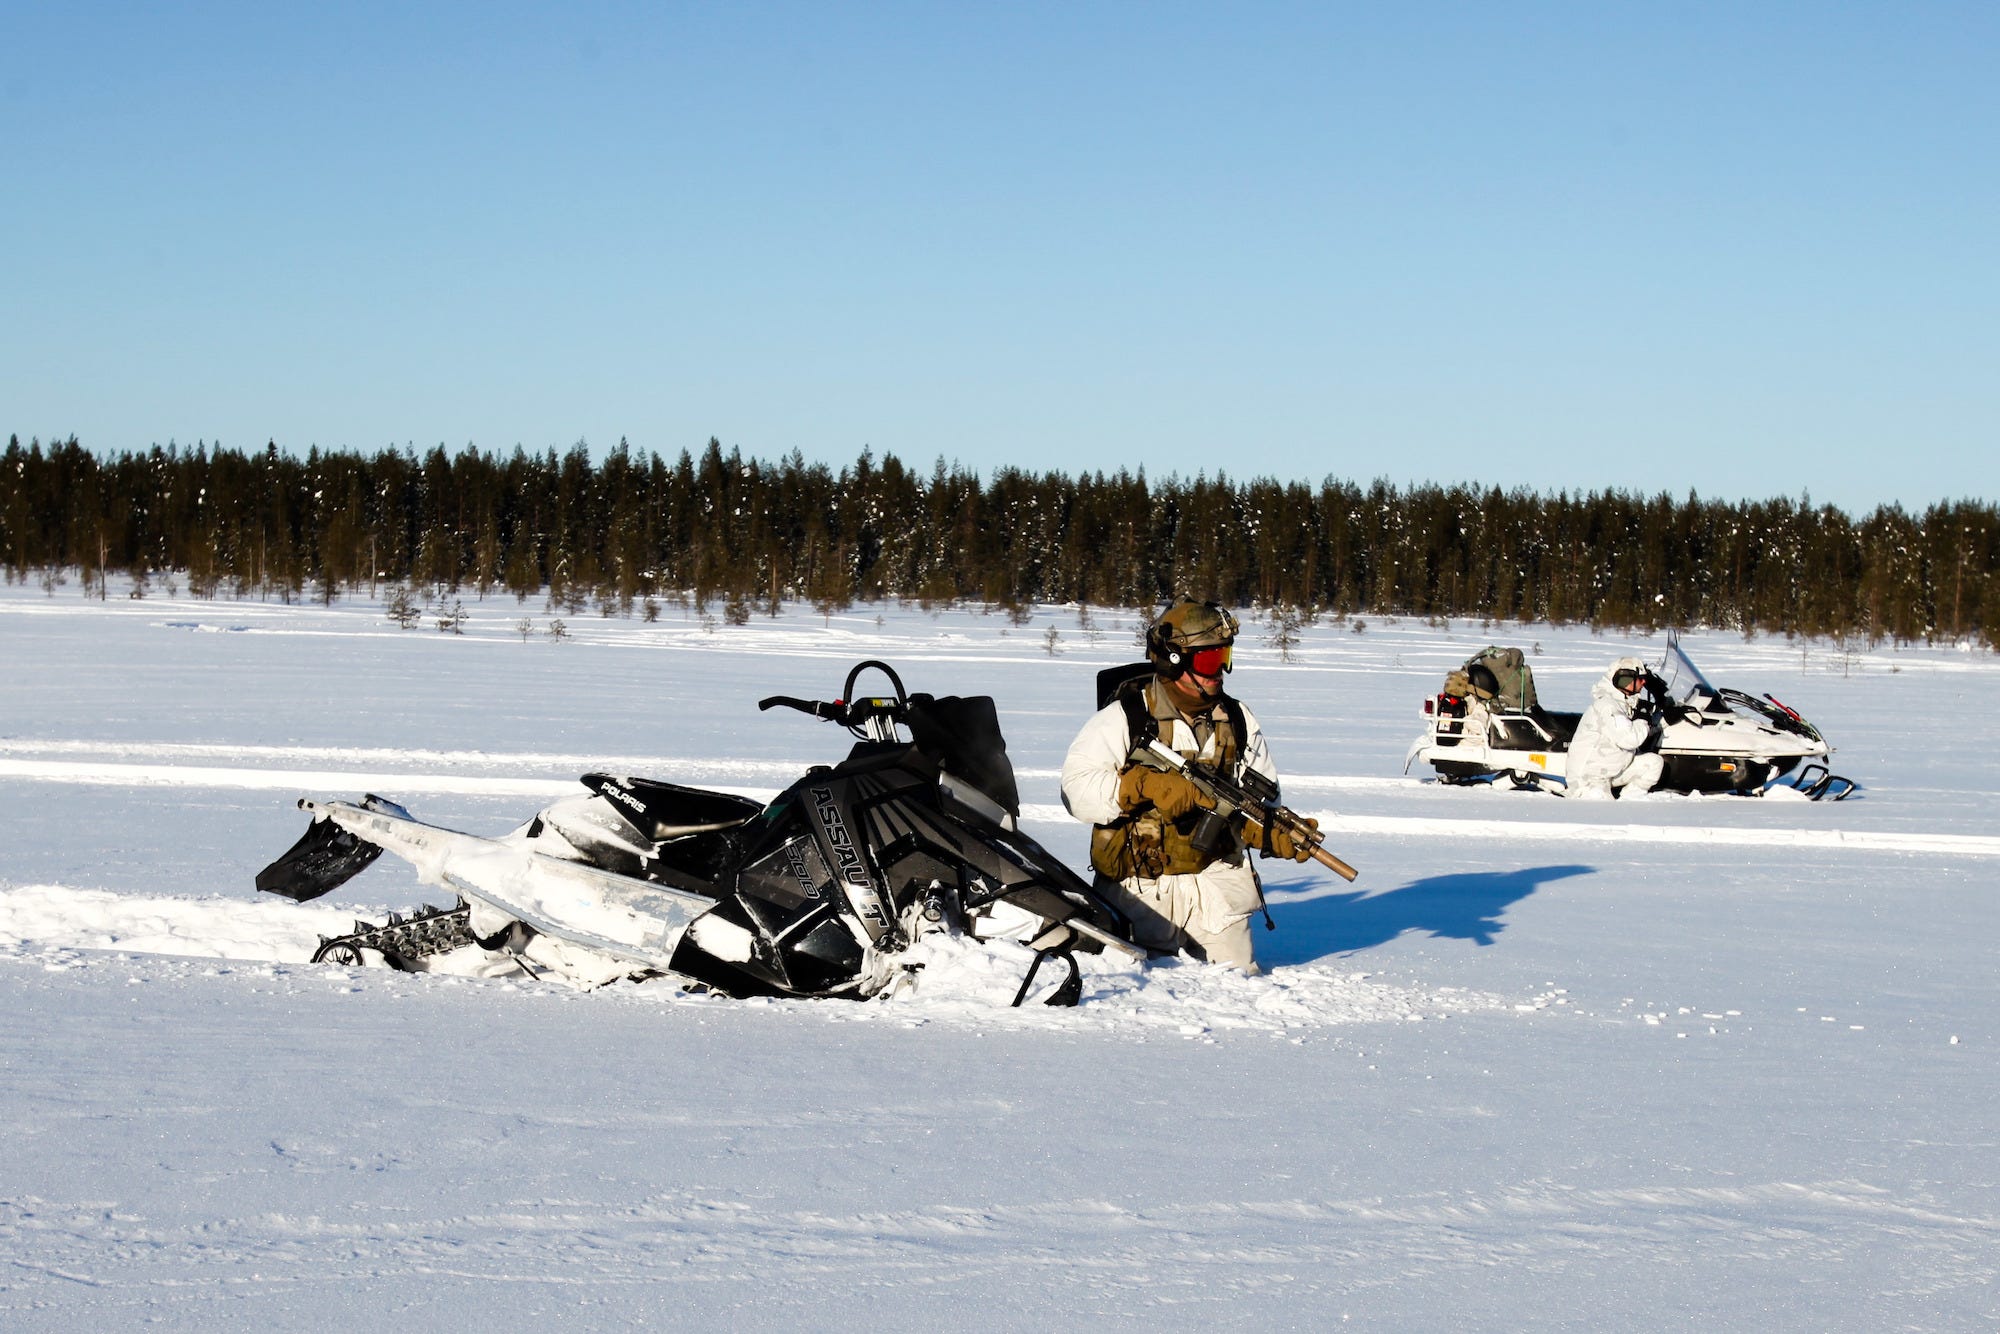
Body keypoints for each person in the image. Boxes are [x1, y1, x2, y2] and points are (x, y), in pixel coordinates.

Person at [1060, 599, 1316, 973]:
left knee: (1240, 983)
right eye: (1210, 661)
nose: (1221, 672)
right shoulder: (1126, 717)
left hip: (1214, 896)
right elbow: (1075, 793)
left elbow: (1263, 798)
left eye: (1225, 657)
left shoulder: (1239, 720)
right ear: (1174, 660)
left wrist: (1271, 832)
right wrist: (1140, 785)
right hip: (1140, 895)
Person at [1566, 656, 1666, 800]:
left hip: (1610, 771)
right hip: (1589, 778)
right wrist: (1643, 718)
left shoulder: (1623, 704)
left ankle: (1631, 799)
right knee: (1607, 813)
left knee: (1653, 763)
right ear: (1624, 679)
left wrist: (1663, 718)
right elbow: (1629, 739)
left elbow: (1639, 727)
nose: (1643, 682)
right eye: (1640, 678)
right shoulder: (1608, 706)